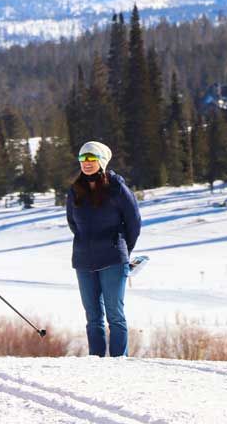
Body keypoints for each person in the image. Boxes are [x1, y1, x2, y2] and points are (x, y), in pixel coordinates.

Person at [66, 141, 141, 358]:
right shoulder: (75, 190)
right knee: (92, 316)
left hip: (113, 259)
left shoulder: (117, 188)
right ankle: (96, 361)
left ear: (102, 161)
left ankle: (119, 360)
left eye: (91, 159)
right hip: (83, 260)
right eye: (83, 159)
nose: (86, 163)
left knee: (115, 315)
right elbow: (73, 223)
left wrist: (122, 249)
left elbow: (134, 223)